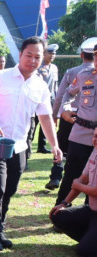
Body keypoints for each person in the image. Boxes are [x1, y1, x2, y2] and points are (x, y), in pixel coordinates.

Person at [0, 36, 62, 253]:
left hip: (20, 146)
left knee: (11, 188)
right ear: (20, 54)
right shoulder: (0, 76)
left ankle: (0, 227)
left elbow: (44, 117)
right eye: (29, 55)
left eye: (38, 57)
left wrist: (54, 144)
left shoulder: (40, 86)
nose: (33, 60)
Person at [46, 38, 97, 191]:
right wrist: (62, 111)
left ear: (81, 55)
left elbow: (60, 96)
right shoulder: (83, 74)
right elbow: (65, 94)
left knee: (65, 154)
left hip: (70, 119)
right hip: (78, 122)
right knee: (71, 162)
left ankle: (56, 176)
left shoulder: (71, 71)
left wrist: (57, 114)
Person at [49, 127, 97, 257]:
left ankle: (90, 242)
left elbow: (93, 190)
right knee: (57, 215)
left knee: (85, 252)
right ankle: (91, 239)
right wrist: (64, 203)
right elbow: (83, 179)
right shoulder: (95, 151)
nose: (95, 140)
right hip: (91, 210)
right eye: (94, 136)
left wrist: (78, 185)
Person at [32, 44, 60, 155]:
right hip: (37, 99)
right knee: (33, 125)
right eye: (50, 53)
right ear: (44, 54)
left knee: (46, 124)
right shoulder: (38, 67)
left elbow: (55, 84)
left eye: (54, 53)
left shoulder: (54, 68)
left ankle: (42, 146)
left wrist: (56, 97)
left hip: (50, 99)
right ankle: (28, 147)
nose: (52, 55)